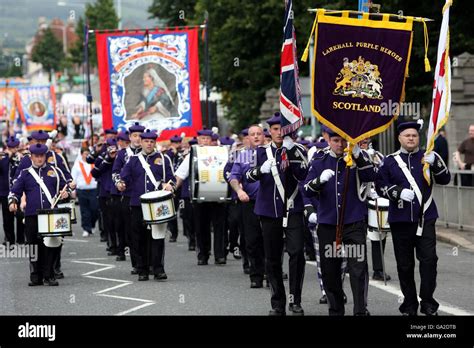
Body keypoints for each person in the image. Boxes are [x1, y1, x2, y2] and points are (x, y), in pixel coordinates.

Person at [376, 121, 451, 316]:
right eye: (407, 135)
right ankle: (409, 305)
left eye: (414, 135)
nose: (411, 138)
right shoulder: (390, 161)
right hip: (400, 219)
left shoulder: (427, 157)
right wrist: (396, 192)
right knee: (405, 264)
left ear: (419, 138)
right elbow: (380, 186)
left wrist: (436, 163)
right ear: (399, 138)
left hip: (426, 217)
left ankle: (427, 301)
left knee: (429, 261)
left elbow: (445, 179)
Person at [303, 128, 375, 316]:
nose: (340, 145)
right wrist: (319, 181)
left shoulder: (358, 158)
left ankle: (360, 310)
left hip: (353, 222)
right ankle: (336, 310)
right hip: (328, 224)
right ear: (328, 140)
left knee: (358, 268)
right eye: (336, 140)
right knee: (330, 271)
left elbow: (370, 175)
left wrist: (358, 154)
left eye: (343, 140)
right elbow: (307, 189)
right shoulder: (319, 161)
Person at [245, 113, 308, 316]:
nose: (280, 133)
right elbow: (247, 175)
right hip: (269, 210)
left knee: (297, 253)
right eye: (275, 129)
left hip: (293, 209)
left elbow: (303, 175)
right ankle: (277, 303)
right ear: (269, 132)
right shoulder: (259, 152)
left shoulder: (299, 150)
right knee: (272, 258)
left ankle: (294, 300)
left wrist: (291, 154)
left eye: (283, 129)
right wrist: (259, 170)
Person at [8, 143, 70, 286]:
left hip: (50, 215)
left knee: (50, 245)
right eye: (36, 156)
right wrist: (13, 202)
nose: (39, 159)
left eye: (42, 156)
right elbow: (15, 191)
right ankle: (35, 275)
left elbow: (65, 188)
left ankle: (49, 275)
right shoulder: (25, 173)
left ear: (45, 156)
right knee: (33, 246)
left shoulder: (55, 172)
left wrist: (65, 193)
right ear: (31, 157)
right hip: (31, 215)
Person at [117, 129, 176, 281]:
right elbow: (124, 178)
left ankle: (158, 269)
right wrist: (121, 184)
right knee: (139, 237)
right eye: (146, 141)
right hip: (138, 204)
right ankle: (142, 269)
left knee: (158, 236)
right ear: (141, 142)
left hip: (158, 203)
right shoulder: (134, 160)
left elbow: (172, 179)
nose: (149, 144)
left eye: (152, 141)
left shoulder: (163, 159)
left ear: (155, 143)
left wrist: (170, 186)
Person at [175, 129, 227, 265]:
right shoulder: (193, 154)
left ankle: (220, 255)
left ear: (211, 140)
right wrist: (173, 189)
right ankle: (203, 255)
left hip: (218, 195)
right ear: (198, 140)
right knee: (201, 226)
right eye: (202, 139)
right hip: (199, 196)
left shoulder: (220, 153)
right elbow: (181, 174)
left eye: (207, 139)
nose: (205, 141)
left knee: (219, 227)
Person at [229, 125, 265, 287]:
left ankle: (271, 274)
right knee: (252, 240)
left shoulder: (272, 153)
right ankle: (256, 276)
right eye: (252, 135)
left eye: (259, 134)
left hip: (270, 203)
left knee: (270, 240)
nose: (256, 137)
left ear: (264, 136)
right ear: (248, 138)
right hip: (249, 203)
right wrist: (238, 190)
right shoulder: (243, 156)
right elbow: (234, 176)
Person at [112, 122, 145, 272]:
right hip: (128, 196)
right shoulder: (123, 153)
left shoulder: (150, 153)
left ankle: (149, 262)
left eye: (140, 136)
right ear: (130, 137)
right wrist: (119, 183)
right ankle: (137, 264)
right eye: (135, 136)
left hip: (146, 196)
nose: (137, 139)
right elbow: (115, 172)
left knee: (148, 231)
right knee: (132, 231)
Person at [358, 138, 391, 282]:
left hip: (375, 199)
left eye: (365, 141)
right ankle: (354, 264)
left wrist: (380, 190)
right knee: (356, 235)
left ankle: (378, 269)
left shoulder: (378, 156)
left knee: (379, 233)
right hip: (357, 200)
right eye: (360, 141)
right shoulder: (350, 155)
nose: (363, 143)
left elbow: (384, 176)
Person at [0, 136, 24, 245]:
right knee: (7, 218)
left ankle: (20, 239)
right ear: (8, 147)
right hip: (5, 192)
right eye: (11, 148)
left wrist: (19, 157)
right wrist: (7, 157)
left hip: (18, 192)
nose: (14, 150)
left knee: (20, 216)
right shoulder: (2, 158)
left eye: (15, 148)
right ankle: (10, 240)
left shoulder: (21, 158)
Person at [71, 148, 98, 238]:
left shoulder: (94, 163)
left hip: (93, 189)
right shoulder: (77, 165)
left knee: (94, 209)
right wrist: (73, 191)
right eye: (85, 154)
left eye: (88, 154)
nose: (86, 155)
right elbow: (73, 178)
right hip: (82, 190)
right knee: (84, 211)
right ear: (81, 154)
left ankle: (92, 224)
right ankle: (86, 229)